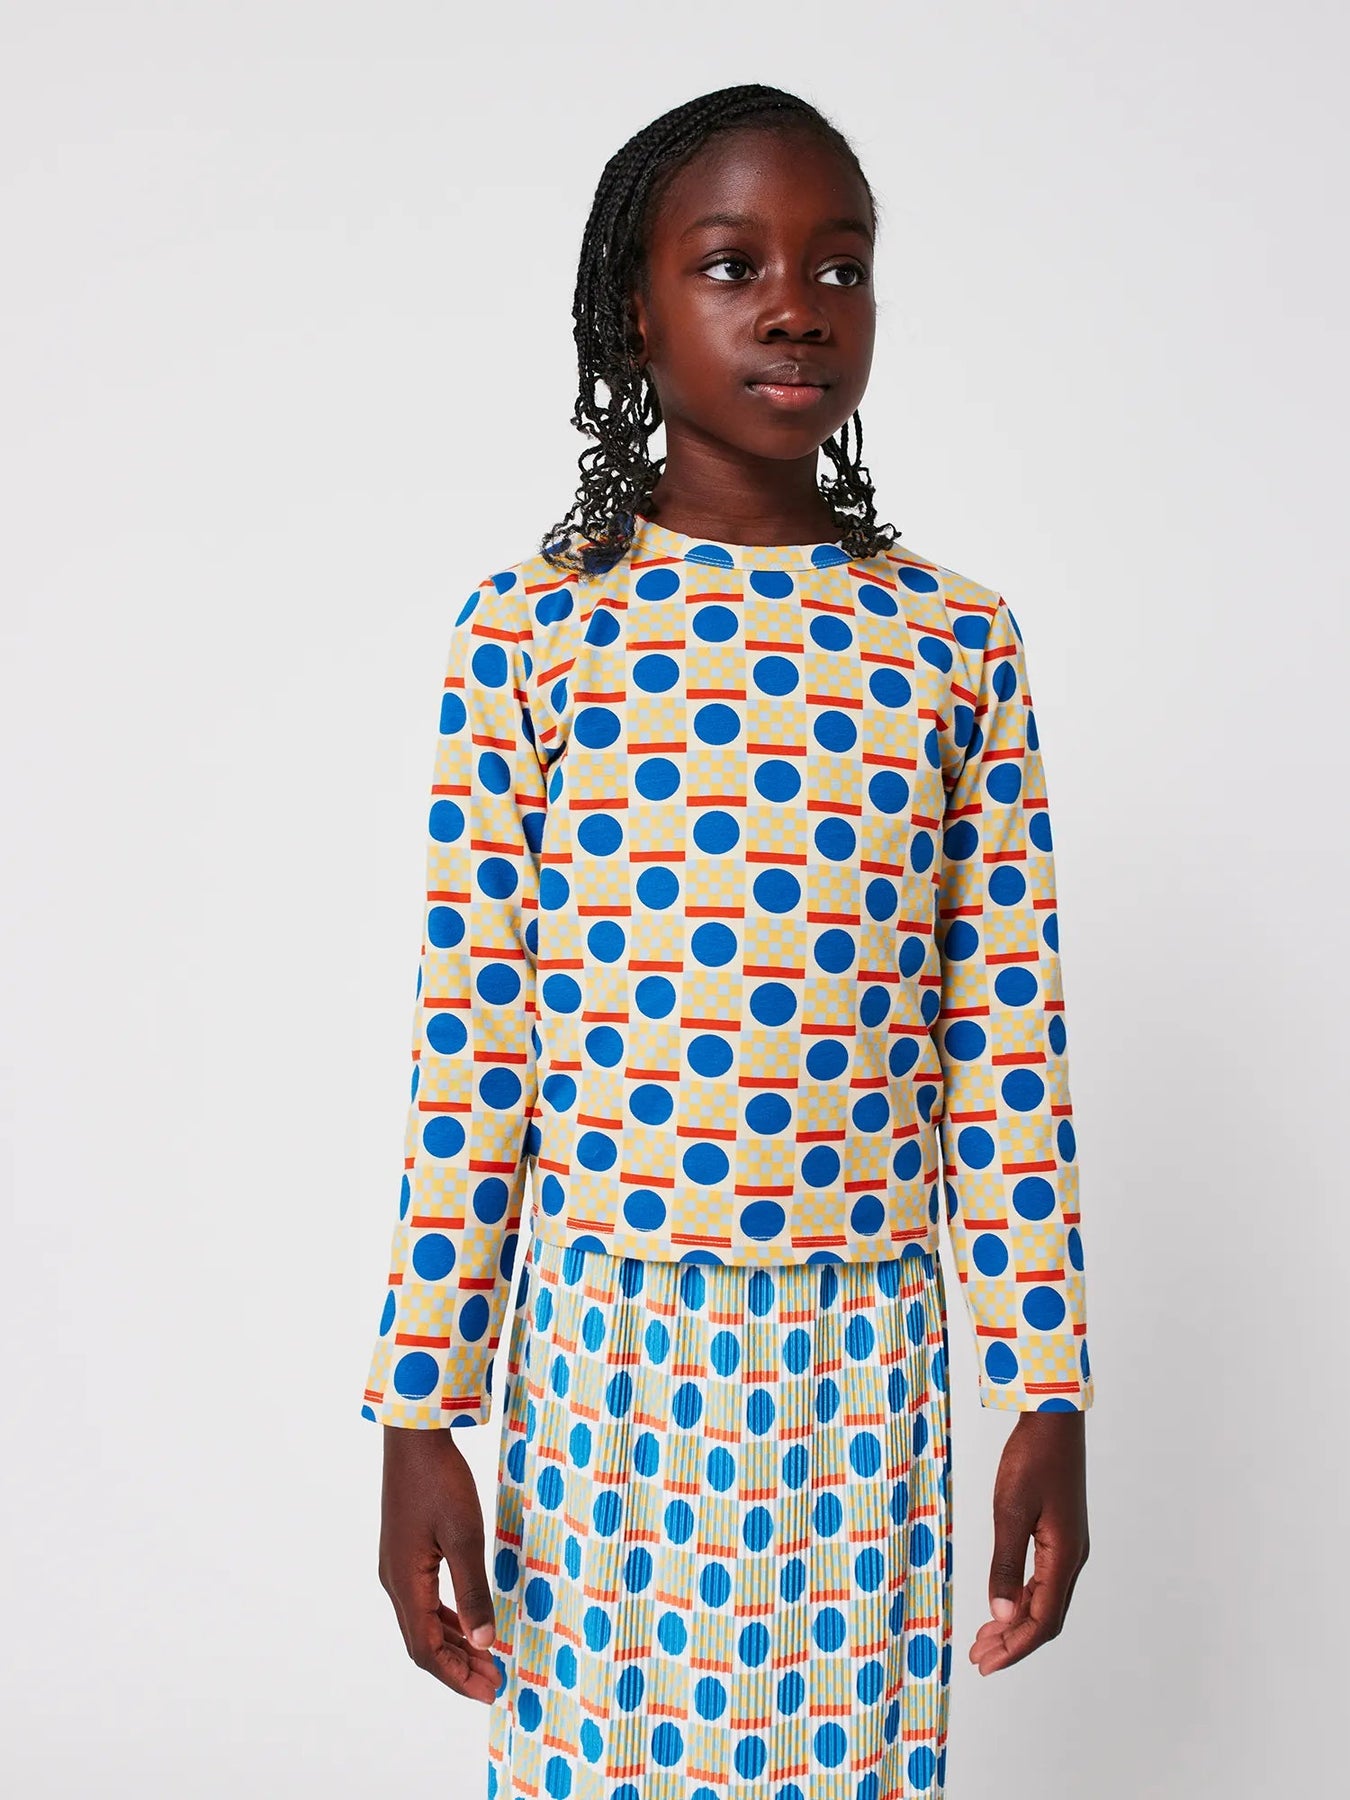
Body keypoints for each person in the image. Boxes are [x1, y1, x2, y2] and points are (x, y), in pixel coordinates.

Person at [361, 82, 1093, 1800]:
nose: (794, 307)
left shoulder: (950, 640)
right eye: (729, 264)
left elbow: (1004, 1036)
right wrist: (419, 1411)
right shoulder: (536, 633)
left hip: (862, 1344)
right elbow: (472, 1038)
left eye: (839, 268)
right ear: (633, 309)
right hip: (604, 1343)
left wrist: (1044, 1388)